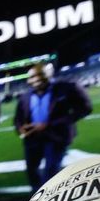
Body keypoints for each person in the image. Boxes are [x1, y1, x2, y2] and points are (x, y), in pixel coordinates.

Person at [13, 62, 92, 192]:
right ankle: (37, 196)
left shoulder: (67, 88)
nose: (36, 79)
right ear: (28, 79)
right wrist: (20, 128)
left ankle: (48, 199)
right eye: (32, 77)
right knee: (31, 170)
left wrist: (50, 124)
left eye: (40, 74)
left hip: (56, 136)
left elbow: (85, 108)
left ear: (49, 74)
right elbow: (18, 118)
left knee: (51, 170)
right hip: (32, 138)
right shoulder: (25, 96)